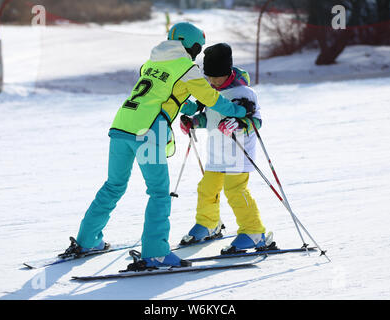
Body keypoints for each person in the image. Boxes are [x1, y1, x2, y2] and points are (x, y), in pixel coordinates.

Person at [61, 23, 255, 269]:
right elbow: (212, 98)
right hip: (147, 132)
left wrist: (189, 110)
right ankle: (155, 253)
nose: (197, 52)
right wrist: (239, 111)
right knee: (159, 193)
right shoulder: (187, 67)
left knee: (113, 186)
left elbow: (167, 98)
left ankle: (87, 240)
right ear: (191, 45)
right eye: (198, 47)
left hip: (121, 127)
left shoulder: (151, 63)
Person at [179, 43, 274, 253]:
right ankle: (209, 224)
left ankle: (253, 232)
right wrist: (194, 123)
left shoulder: (244, 92)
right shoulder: (210, 92)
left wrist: (238, 124)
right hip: (216, 153)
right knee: (206, 189)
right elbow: (209, 118)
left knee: (235, 191)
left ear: (227, 72)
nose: (212, 81)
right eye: (209, 77)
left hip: (238, 154)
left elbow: (256, 121)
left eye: (216, 77)